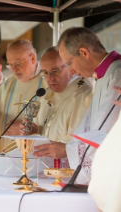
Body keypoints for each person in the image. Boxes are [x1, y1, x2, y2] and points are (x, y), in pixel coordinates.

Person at [36, 27, 121, 185]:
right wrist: (68, 147)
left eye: (69, 63)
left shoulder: (117, 75)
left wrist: (67, 150)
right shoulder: (103, 76)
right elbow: (87, 128)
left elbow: (104, 134)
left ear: (84, 52)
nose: (71, 70)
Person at [18, 47, 94, 167]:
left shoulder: (85, 94)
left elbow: (84, 139)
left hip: (68, 170)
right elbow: (43, 127)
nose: (50, 78)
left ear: (71, 68)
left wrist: (66, 149)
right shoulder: (46, 94)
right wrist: (34, 131)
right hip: (43, 167)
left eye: (55, 71)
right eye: (45, 73)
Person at [0, 40, 48, 150]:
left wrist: (30, 131)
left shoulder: (50, 86)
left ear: (33, 58)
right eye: (10, 65)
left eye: (18, 64)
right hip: (6, 155)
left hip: (36, 155)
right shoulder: (2, 90)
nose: (14, 69)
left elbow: (56, 124)